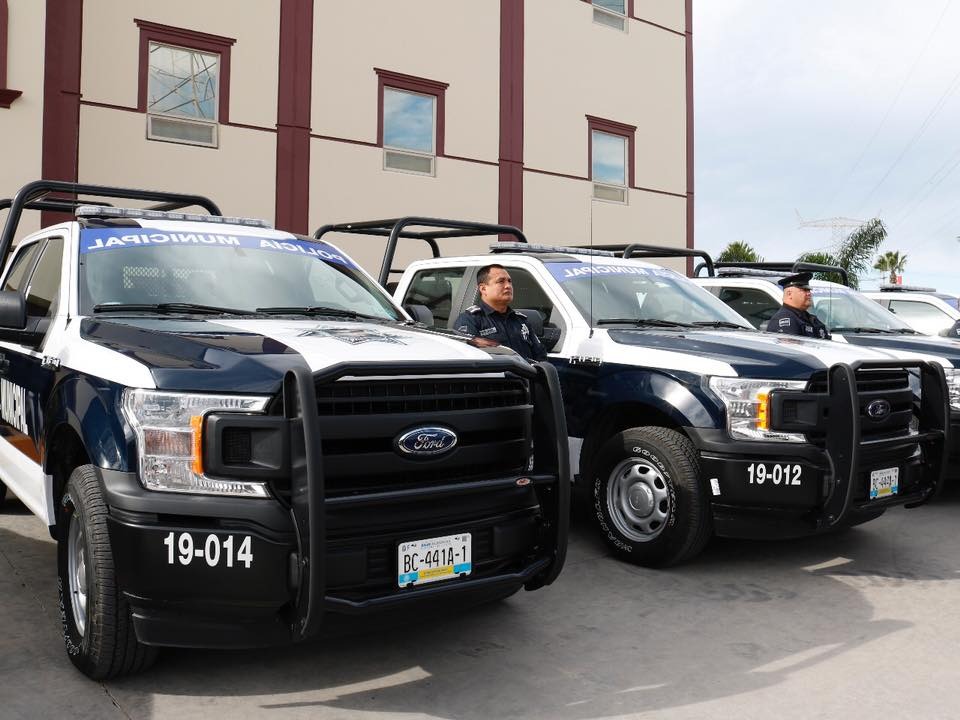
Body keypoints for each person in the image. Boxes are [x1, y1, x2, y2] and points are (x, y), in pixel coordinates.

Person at [455, 264, 547, 361]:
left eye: (509, 281)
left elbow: (541, 356)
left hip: (526, 370)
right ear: (483, 289)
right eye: (501, 281)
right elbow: (469, 360)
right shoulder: (470, 320)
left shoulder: (520, 320)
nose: (508, 286)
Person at [765, 272, 831, 339]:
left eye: (809, 290)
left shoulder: (809, 318)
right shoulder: (785, 321)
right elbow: (792, 345)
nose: (809, 293)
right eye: (804, 290)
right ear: (789, 294)